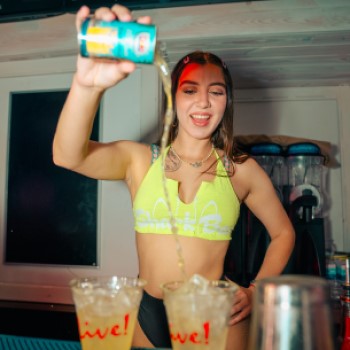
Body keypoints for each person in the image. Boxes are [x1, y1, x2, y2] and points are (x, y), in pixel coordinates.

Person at [53, 4, 295, 349]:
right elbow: (66, 155)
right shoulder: (139, 161)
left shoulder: (241, 171)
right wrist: (86, 86)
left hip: (216, 313)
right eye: (190, 90)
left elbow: (284, 232)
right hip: (146, 313)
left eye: (216, 91)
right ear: (173, 96)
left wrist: (257, 290)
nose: (204, 103)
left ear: (227, 101)